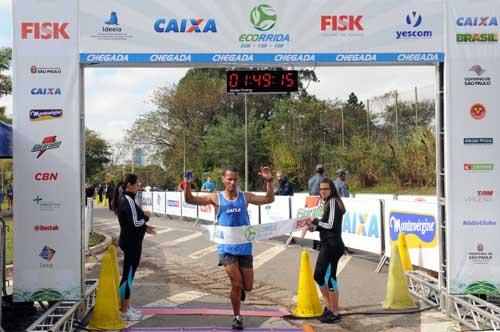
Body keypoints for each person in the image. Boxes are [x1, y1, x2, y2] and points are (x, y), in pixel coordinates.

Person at [184, 166, 274, 330]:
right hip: (226, 249)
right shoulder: (216, 198)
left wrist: (269, 181)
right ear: (223, 179)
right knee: (236, 284)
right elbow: (190, 200)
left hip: (245, 248)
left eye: (235, 179)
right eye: (229, 179)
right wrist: (187, 184)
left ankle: (240, 293)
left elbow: (269, 199)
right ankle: (237, 316)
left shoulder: (245, 197)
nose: (232, 182)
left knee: (248, 286)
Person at [112, 174, 157, 321]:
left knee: (128, 275)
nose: (139, 186)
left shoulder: (127, 198)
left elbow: (134, 222)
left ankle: (125, 305)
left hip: (131, 242)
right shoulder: (128, 199)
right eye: (137, 184)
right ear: (129, 185)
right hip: (131, 243)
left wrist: (145, 226)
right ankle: (124, 310)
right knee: (128, 276)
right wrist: (147, 216)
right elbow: (135, 223)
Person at [306, 178, 346, 324]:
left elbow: (330, 224)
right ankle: (330, 307)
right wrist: (315, 227)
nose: (323, 191)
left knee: (329, 278)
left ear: (332, 189)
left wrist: (315, 221)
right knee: (318, 276)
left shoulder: (334, 202)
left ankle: (334, 312)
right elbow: (326, 226)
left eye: (326, 189)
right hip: (327, 245)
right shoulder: (328, 202)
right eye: (321, 189)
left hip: (332, 246)